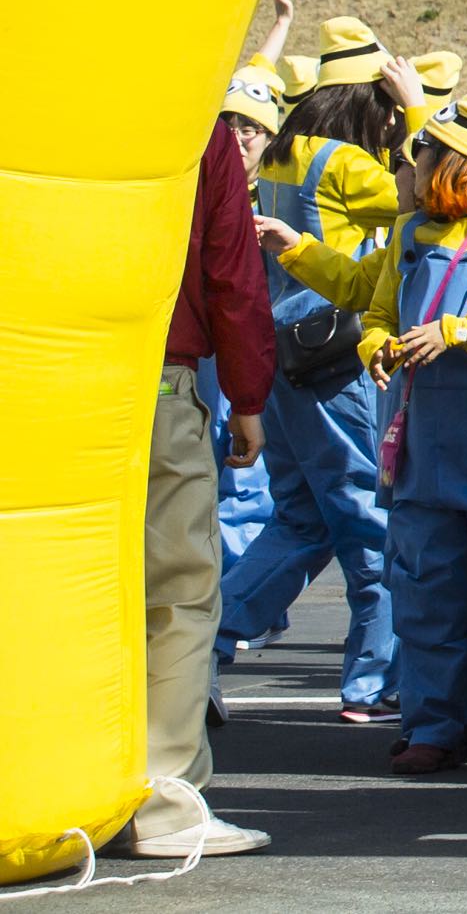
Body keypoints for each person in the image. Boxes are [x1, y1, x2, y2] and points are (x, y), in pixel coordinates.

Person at [291, 86, 467, 775]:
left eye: (422, 154)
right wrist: (377, 351)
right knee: (428, 593)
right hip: (424, 448)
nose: (410, 166)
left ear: (457, 164)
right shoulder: (407, 234)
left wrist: (459, 332)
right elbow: (380, 314)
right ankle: (435, 724)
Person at [222, 62, 403, 724]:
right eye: (387, 108)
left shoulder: (278, 155)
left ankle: (203, 644)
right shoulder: (344, 163)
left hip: (277, 357)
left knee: (299, 520)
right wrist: (419, 121)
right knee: (367, 519)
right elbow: (426, 199)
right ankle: (372, 682)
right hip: (333, 359)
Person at [134, 96, 276, 859]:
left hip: (33, 380)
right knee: (177, 594)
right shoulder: (188, 115)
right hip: (156, 381)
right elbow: (231, 269)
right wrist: (248, 397)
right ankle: (162, 804)